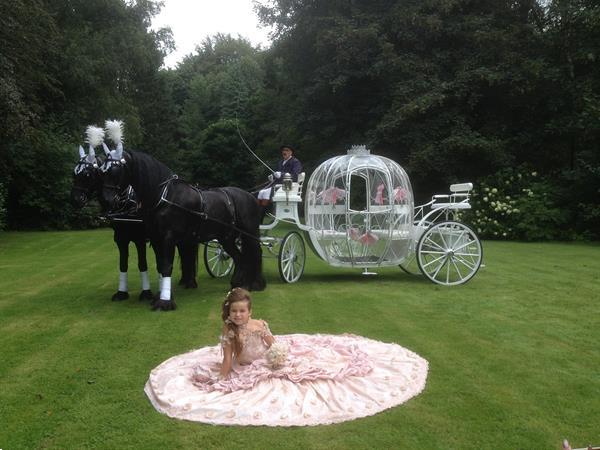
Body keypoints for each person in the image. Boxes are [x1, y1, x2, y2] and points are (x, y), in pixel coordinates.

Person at [144, 288, 428, 426]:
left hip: (266, 358)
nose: (239, 315)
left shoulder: (259, 325)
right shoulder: (230, 332)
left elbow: (272, 343)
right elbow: (229, 358)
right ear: (228, 313)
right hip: (246, 365)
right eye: (234, 312)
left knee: (306, 364)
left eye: (243, 311)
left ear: (250, 311)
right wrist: (223, 375)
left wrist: (278, 355)